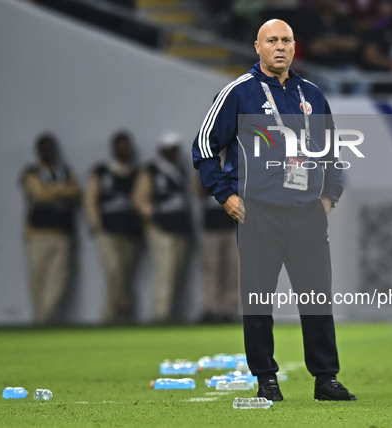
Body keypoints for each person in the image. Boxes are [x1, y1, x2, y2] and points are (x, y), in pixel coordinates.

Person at [192, 19, 356, 402]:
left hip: (307, 214)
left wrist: (328, 199)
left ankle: (325, 379)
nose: (279, 47)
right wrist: (226, 196)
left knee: (316, 298)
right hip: (259, 213)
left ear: (295, 47)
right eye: (272, 41)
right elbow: (202, 147)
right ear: (257, 47)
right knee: (258, 299)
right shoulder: (238, 93)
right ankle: (265, 378)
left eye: (285, 40)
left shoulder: (313, 94)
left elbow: (333, 153)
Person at [20, 133, 80, 324]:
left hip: (62, 233)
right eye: (45, 147)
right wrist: (61, 190)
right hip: (38, 234)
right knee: (37, 279)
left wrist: (53, 190)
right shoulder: (31, 172)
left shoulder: (65, 171)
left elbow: (76, 192)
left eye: (51, 147)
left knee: (59, 281)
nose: (49, 151)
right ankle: (39, 319)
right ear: (38, 151)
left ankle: (47, 317)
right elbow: (41, 194)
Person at [133, 132, 193, 322]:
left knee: (175, 275)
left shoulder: (178, 170)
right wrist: (150, 217)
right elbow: (139, 198)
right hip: (162, 228)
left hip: (179, 228)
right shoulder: (151, 170)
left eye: (174, 149)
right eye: (168, 149)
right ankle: (160, 315)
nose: (171, 153)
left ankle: (169, 315)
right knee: (164, 273)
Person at [84, 131, 142, 324]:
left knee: (124, 275)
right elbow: (90, 198)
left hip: (130, 232)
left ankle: (119, 317)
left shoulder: (136, 173)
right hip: (107, 231)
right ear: (113, 147)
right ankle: (116, 312)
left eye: (127, 145)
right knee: (114, 270)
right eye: (120, 145)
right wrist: (95, 223)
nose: (124, 149)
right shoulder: (101, 171)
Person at [196, 153, 239, 324]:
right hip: (212, 224)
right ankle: (210, 308)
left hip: (234, 224)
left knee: (233, 270)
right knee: (211, 269)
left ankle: (229, 309)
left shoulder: (239, 160)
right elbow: (198, 190)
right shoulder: (206, 162)